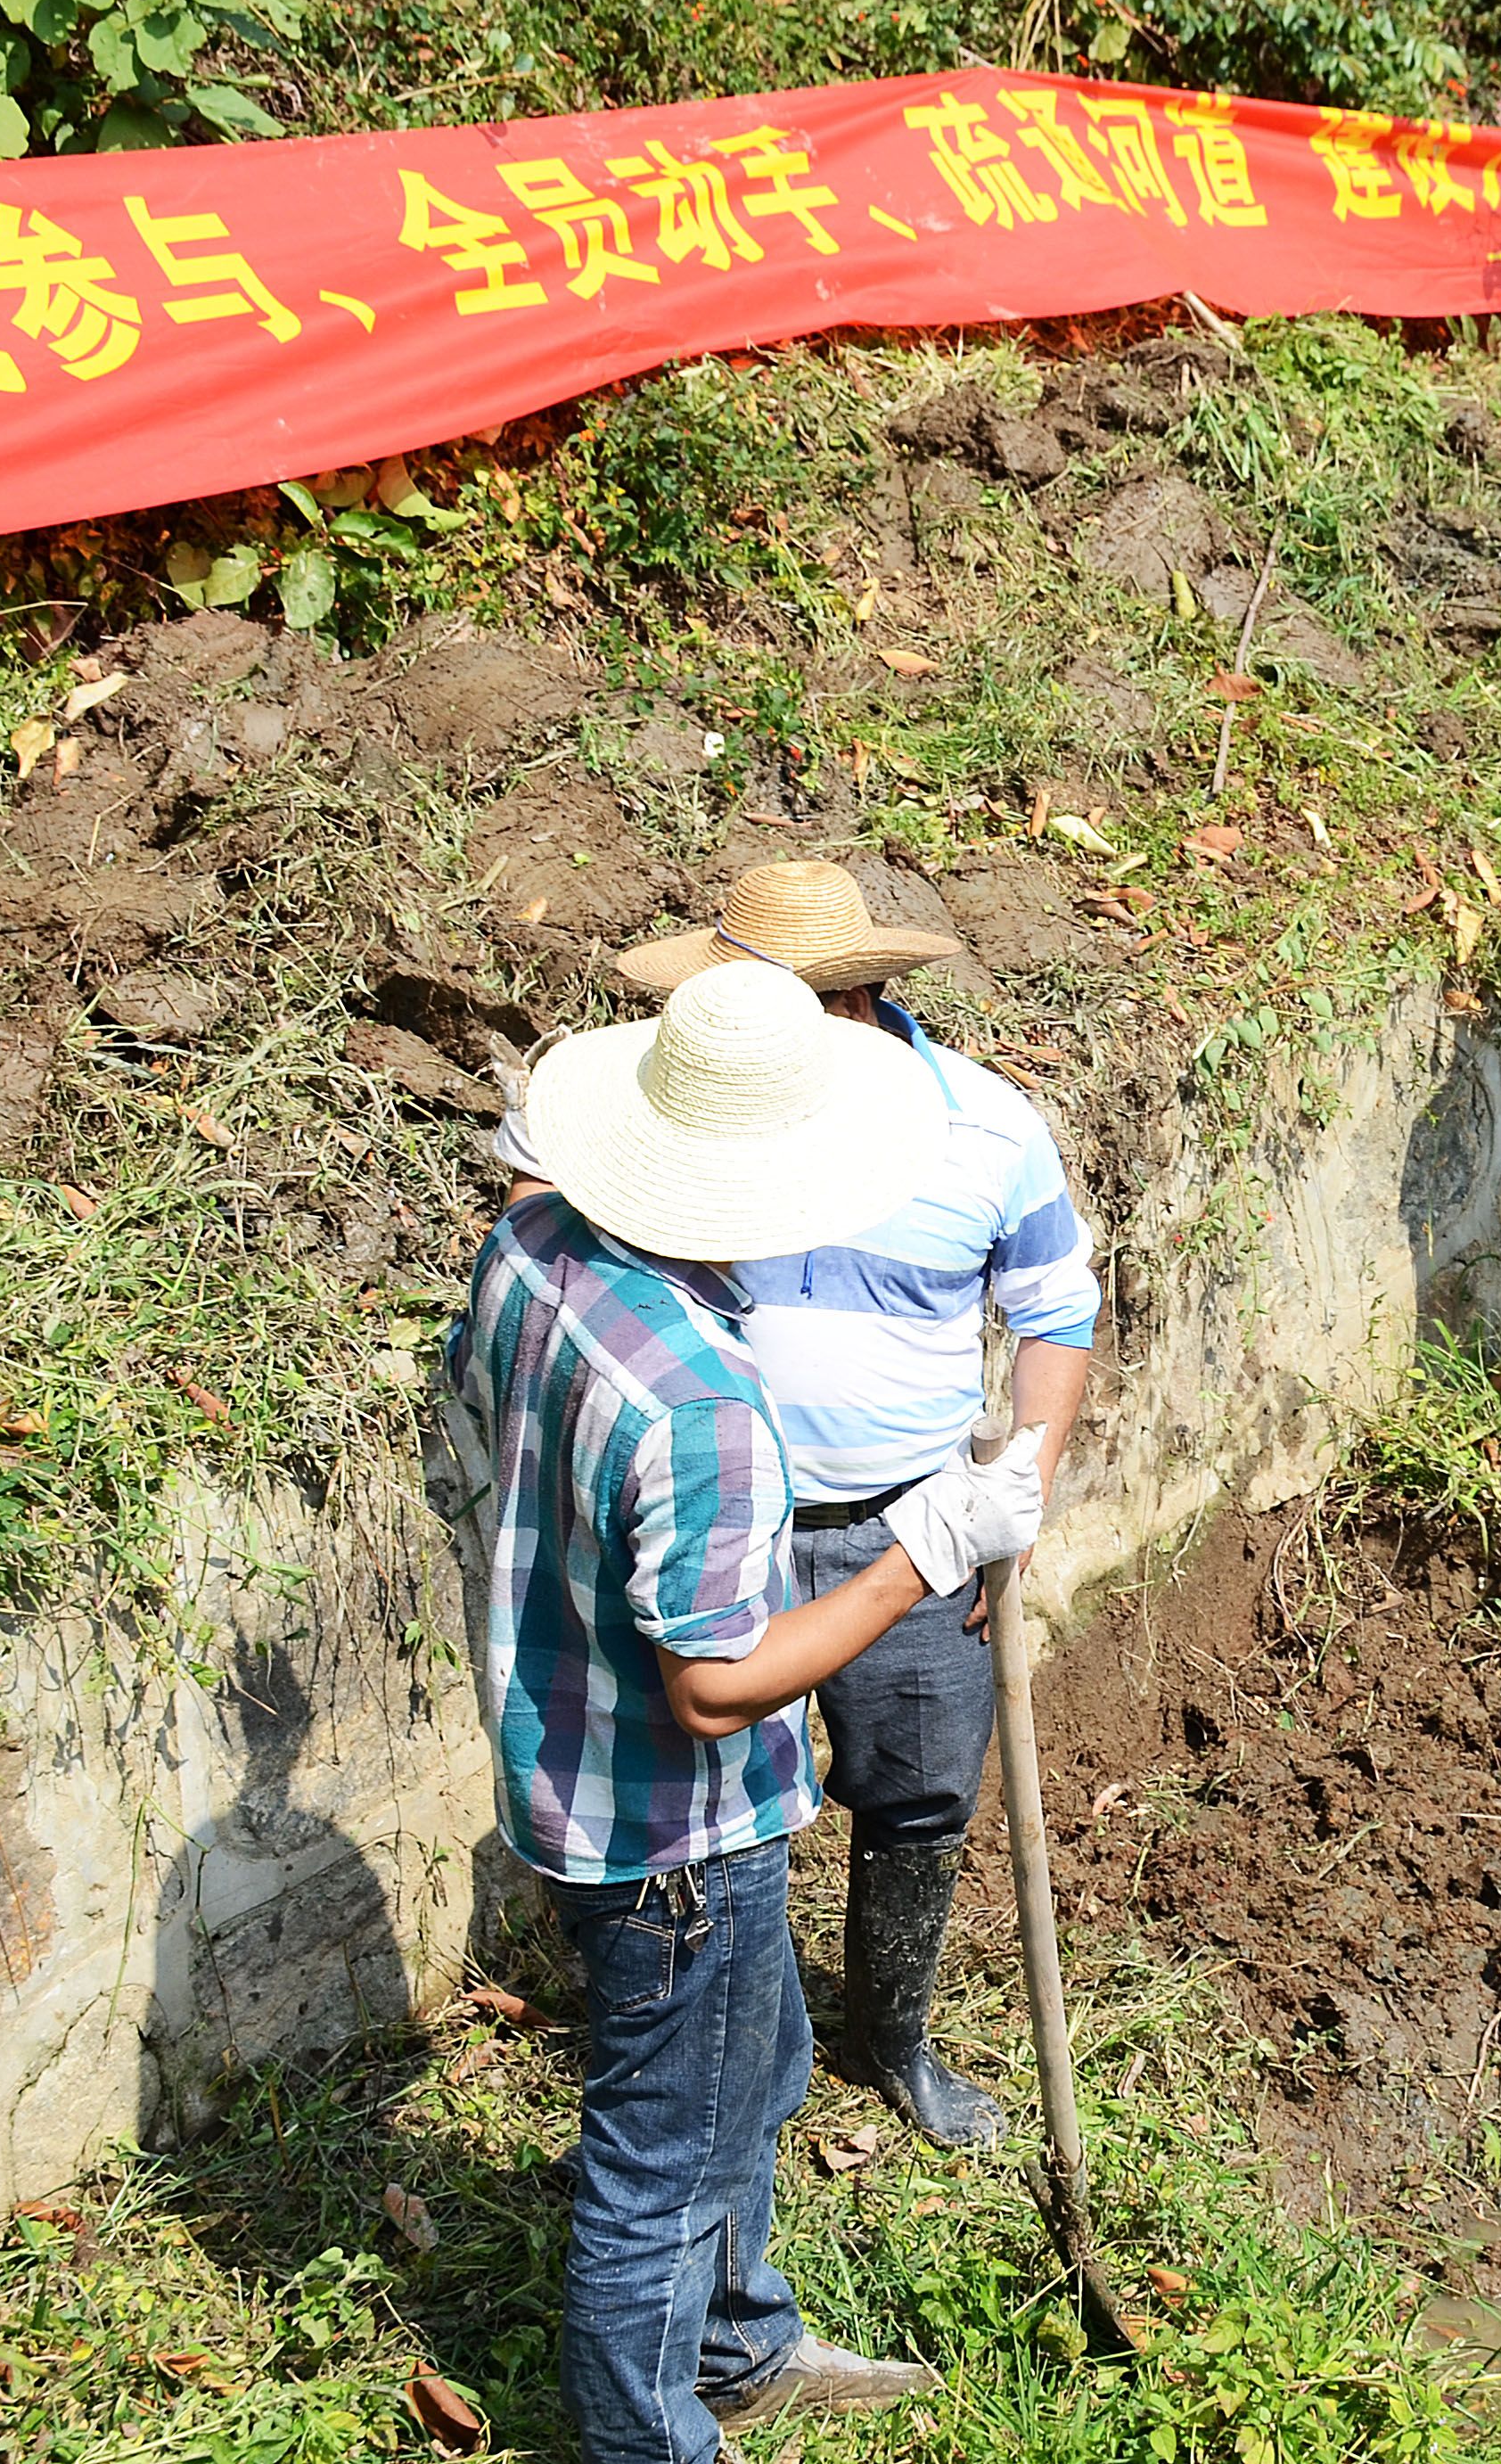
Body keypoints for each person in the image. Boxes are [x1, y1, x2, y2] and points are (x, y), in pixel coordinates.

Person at [452, 958, 1042, 2456]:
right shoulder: (702, 1400)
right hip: (676, 1835)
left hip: (569, 1755)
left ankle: (736, 2343)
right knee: (659, 2163)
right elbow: (715, 1687)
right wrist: (922, 1551)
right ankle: (654, 2432)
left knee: (755, 2063)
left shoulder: (533, 1247)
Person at [503, 863, 1104, 2153]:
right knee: (722, 1830)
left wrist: (1014, 1496)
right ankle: (737, 2066)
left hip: (909, 1524)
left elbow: (1056, 1311)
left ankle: (890, 2037)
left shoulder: (986, 1130)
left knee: (919, 1799)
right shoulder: (691, 1120)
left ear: (854, 1003)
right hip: (717, 1537)